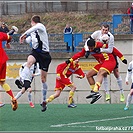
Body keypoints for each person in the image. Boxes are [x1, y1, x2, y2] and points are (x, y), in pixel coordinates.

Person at [12, 15, 52, 112]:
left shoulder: (40, 26)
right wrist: (25, 39)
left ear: (32, 21)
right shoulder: (33, 32)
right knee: (29, 62)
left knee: (43, 79)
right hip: (36, 52)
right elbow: (30, 40)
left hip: (44, 54)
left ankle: (43, 101)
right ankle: (21, 80)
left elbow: (34, 29)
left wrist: (23, 34)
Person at [66, 38, 117, 104]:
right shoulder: (87, 48)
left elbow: (113, 49)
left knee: (100, 72)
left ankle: (95, 91)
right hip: (101, 63)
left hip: (109, 61)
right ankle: (95, 93)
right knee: (89, 75)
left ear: (95, 45)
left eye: (91, 48)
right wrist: (70, 60)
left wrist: (122, 58)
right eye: (89, 48)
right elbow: (79, 54)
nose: (90, 50)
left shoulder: (100, 44)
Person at [98, 34, 126, 102]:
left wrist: (122, 58)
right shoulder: (99, 43)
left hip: (112, 59)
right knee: (104, 74)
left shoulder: (110, 44)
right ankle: (107, 93)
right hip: (104, 60)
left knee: (116, 73)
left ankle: (121, 92)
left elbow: (115, 51)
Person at [0, 32, 18, 111]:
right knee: (2, 82)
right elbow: (9, 37)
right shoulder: (0, 34)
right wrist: (7, 43)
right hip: (3, 59)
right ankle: (12, 97)